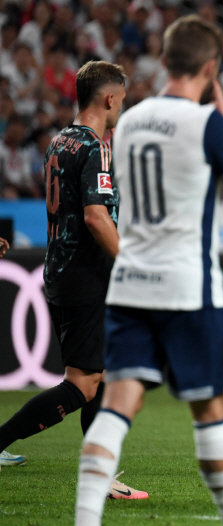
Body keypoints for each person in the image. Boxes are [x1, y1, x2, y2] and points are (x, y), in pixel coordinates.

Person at [74, 15, 223, 526]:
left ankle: (85, 519)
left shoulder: (130, 119)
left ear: (163, 61)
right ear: (211, 67)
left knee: (116, 407)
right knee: (210, 415)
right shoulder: (207, 124)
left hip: (132, 283)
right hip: (189, 289)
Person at [0, 61, 146, 499]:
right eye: (121, 98)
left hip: (61, 269)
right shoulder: (95, 147)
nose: (122, 105)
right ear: (108, 98)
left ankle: (102, 477)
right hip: (87, 275)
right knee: (83, 383)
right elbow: (96, 217)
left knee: (96, 376)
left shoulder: (59, 141)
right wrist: (130, 264)